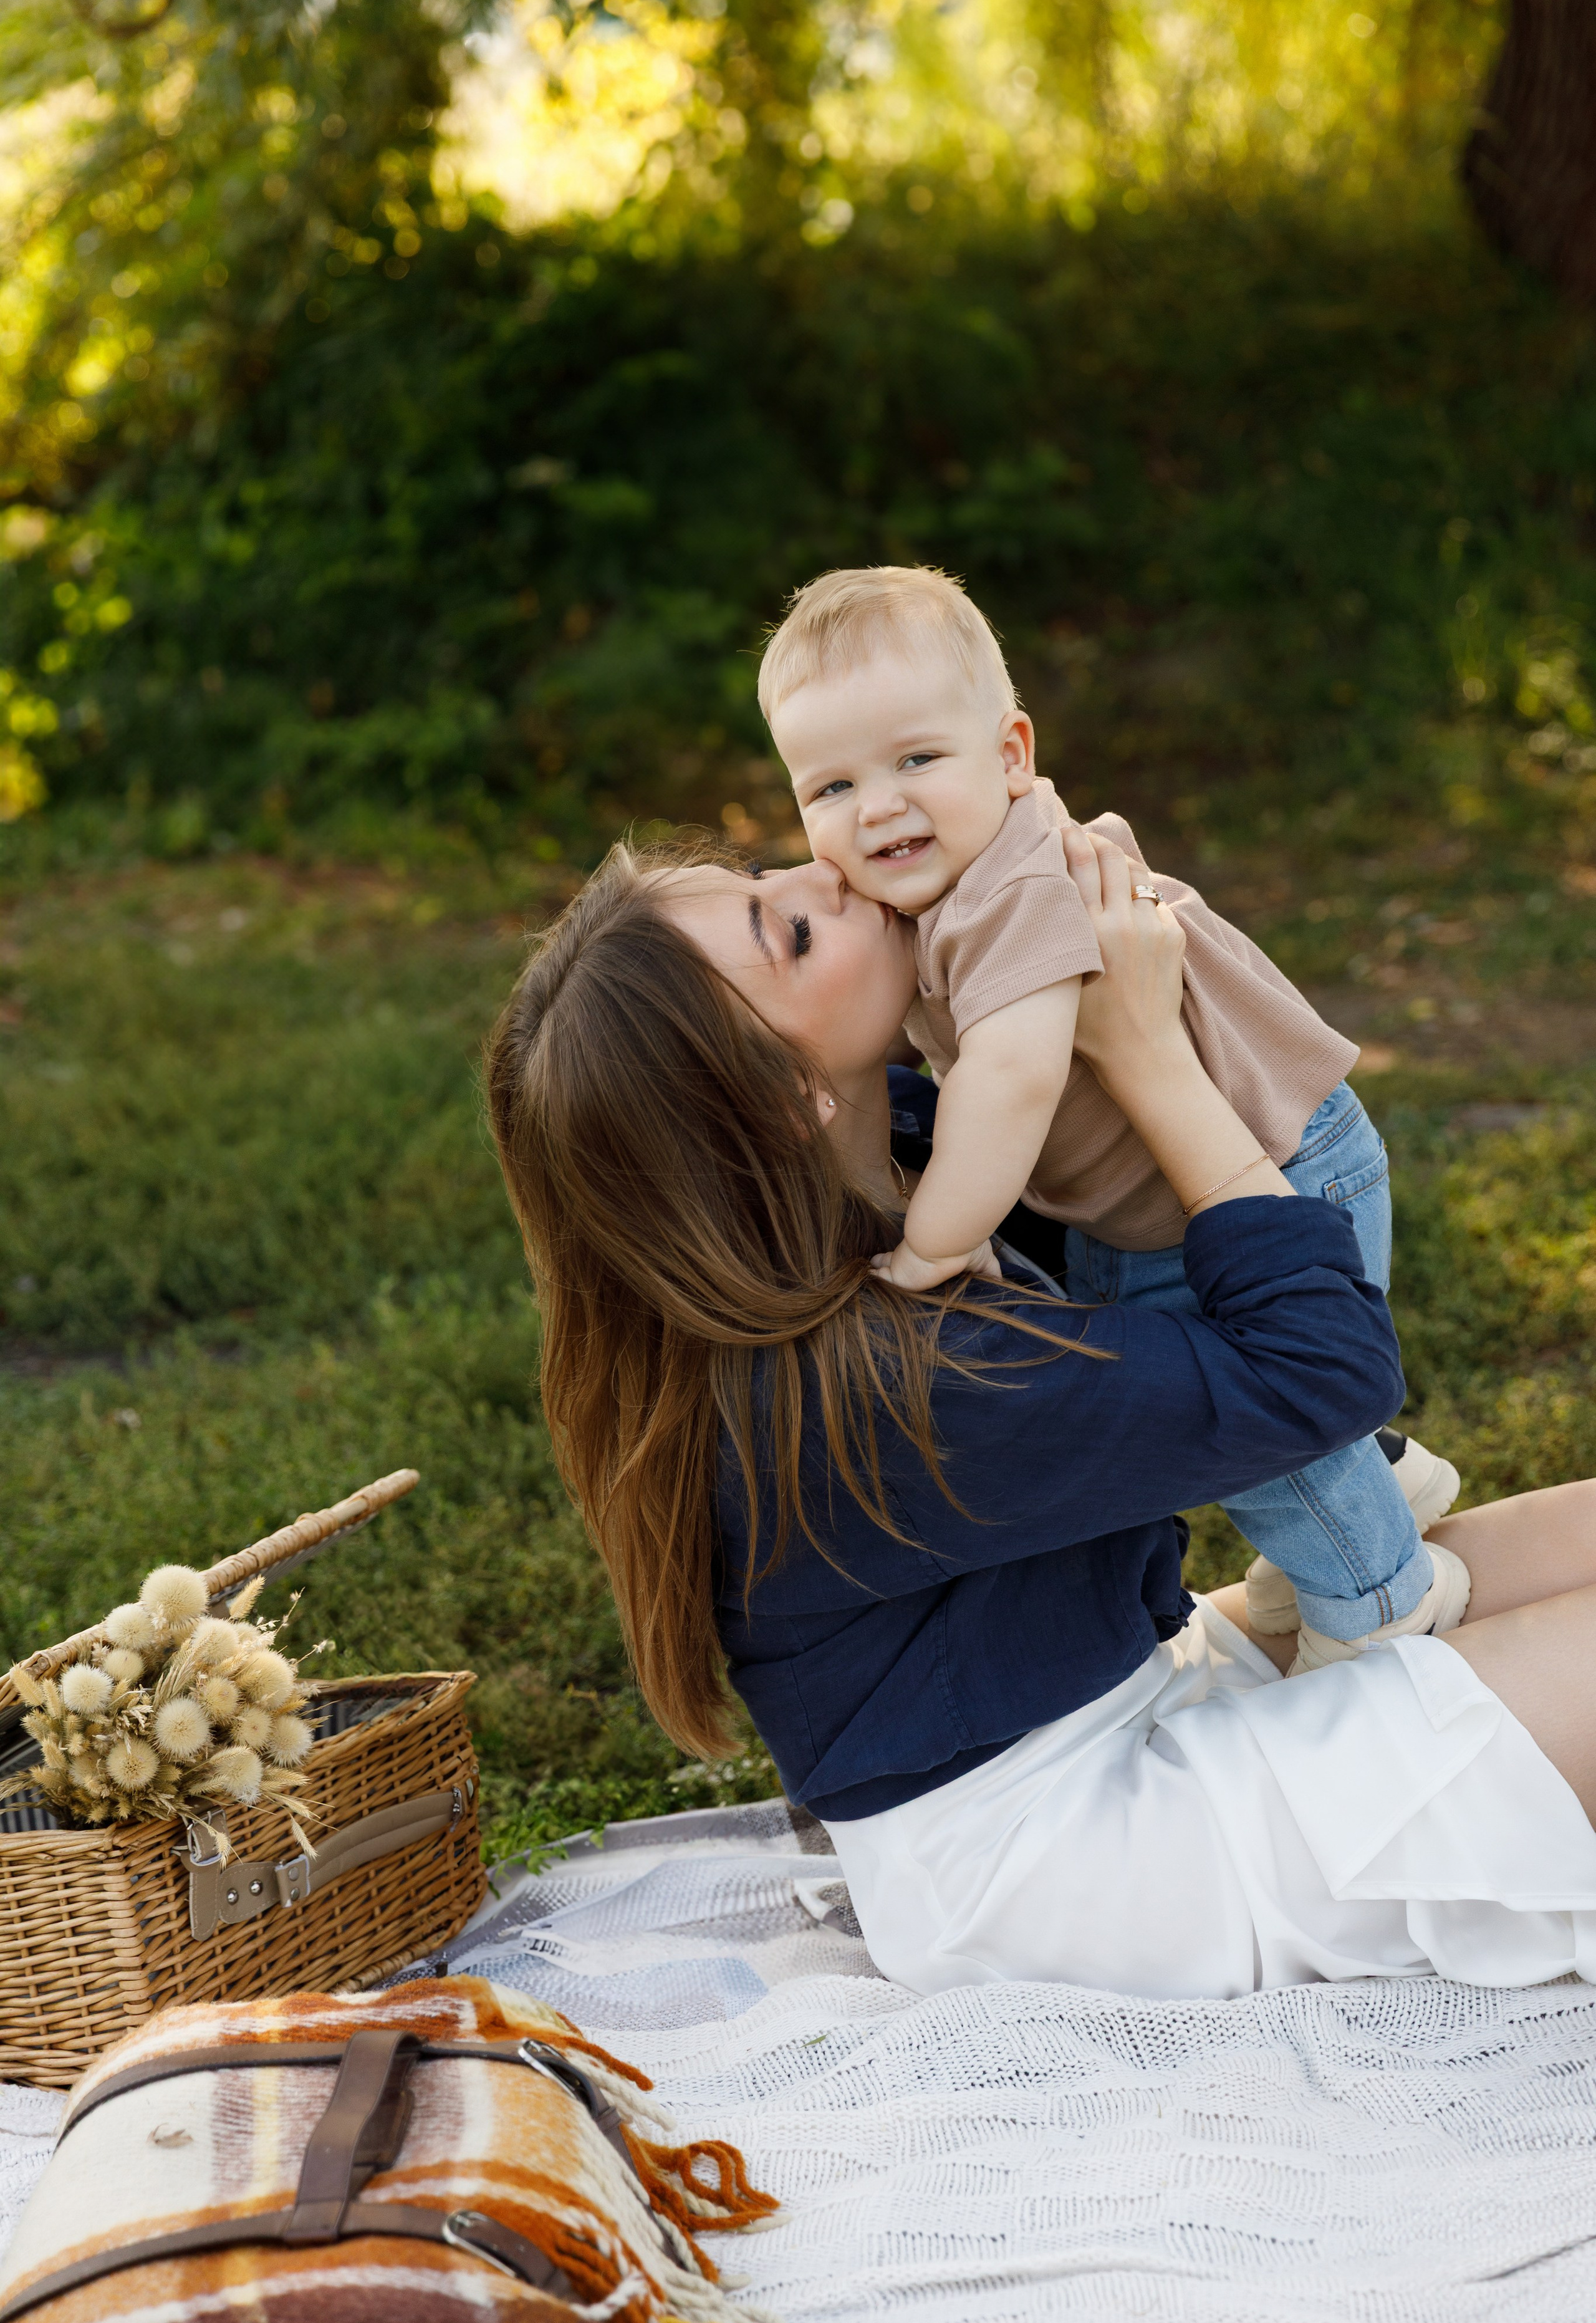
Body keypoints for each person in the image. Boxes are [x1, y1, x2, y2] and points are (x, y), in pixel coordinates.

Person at [486, 823, 1596, 2002]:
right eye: (793, 932)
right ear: (791, 1102)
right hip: (1069, 1864)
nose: (825, 872)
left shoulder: (908, 1162)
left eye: (766, 877)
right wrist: (1149, 1058)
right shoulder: (884, 1386)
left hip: (1122, 1700)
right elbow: (1322, 1373)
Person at [759, 562, 1458, 1676]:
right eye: (829, 788)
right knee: (1225, 1407)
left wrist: (935, 1241)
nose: (877, 806)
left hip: (1268, 1172)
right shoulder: (956, 882)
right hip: (1183, 1194)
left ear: (1011, 755)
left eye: (916, 760)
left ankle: (1381, 1605)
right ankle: (1384, 1482)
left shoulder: (1013, 892)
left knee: (1252, 1427)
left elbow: (1012, 1077)